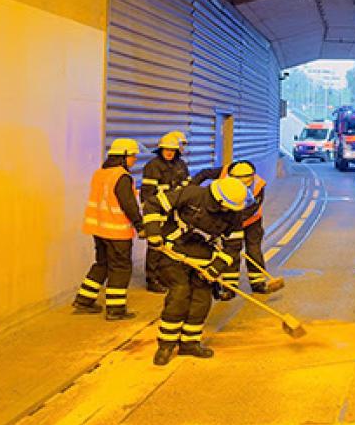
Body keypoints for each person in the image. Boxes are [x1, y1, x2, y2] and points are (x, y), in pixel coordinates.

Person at [142, 176, 249, 365]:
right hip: (174, 254)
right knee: (180, 294)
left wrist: (215, 269)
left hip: (204, 260)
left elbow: (233, 246)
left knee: (201, 301)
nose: (228, 212)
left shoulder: (234, 214)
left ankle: (190, 343)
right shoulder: (192, 195)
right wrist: (153, 233)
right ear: (218, 200)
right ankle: (166, 344)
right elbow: (153, 204)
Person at [73, 138, 144, 320]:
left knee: (102, 264)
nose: (134, 159)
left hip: (99, 229)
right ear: (123, 156)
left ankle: (84, 300)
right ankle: (115, 309)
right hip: (117, 231)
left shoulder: (100, 173)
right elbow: (129, 204)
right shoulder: (121, 177)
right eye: (132, 156)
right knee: (120, 267)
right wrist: (140, 225)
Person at [191, 160, 272, 295]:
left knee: (253, 250)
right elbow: (203, 174)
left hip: (252, 221)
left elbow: (251, 209)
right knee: (231, 251)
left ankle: (257, 282)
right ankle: (230, 286)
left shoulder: (258, 186)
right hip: (231, 220)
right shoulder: (224, 173)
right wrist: (191, 188)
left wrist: (232, 223)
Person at [139, 130, 191, 293]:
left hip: (174, 213)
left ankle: (165, 276)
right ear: (160, 150)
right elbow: (147, 193)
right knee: (155, 246)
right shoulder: (153, 166)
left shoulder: (181, 165)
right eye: (166, 150)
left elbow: (187, 187)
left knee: (171, 245)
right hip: (158, 213)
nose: (169, 153)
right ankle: (152, 279)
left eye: (172, 150)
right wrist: (148, 218)